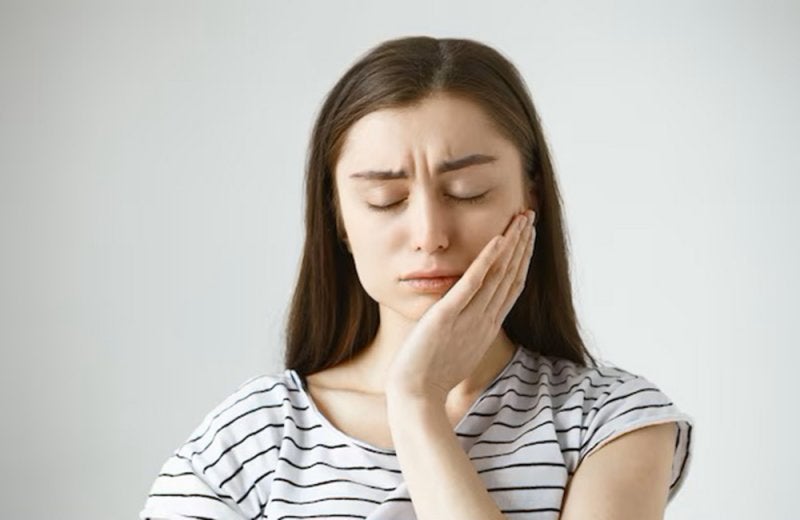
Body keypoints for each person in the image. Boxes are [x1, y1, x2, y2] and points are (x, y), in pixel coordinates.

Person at [139, 36, 693, 520]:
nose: (429, 233)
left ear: (532, 196)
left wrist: (416, 404)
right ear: (339, 219)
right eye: (386, 199)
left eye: (467, 192)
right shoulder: (253, 439)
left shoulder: (610, 420)